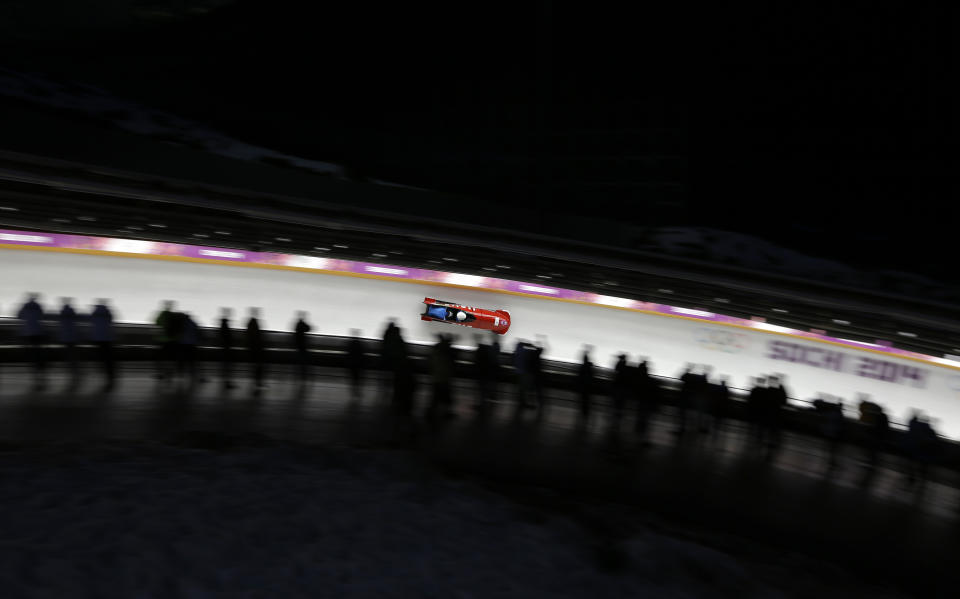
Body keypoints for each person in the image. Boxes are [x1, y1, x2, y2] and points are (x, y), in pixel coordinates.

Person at [17, 292, 47, 389]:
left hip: (28, 333)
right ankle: (40, 368)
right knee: (38, 350)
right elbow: (42, 316)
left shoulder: (25, 306)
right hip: (38, 331)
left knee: (31, 352)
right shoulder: (38, 306)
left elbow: (19, 316)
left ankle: (34, 369)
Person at [89, 299, 116, 390]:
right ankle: (110, 374)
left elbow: (91, 321)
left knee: (101, 356)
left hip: (98, 338)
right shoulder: (108, 312)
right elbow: (111, 320)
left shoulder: (95, 312)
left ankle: (103, 371)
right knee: (109, 357)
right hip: (108, 338)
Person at [155, 301, 179, 381]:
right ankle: (170, 373)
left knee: (161, 357)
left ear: (165, 306)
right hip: (173, 340)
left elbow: (156, 322)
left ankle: (161, 373)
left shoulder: (162, 314)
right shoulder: (174, 315)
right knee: (171, 357)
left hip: (162, 339)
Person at [58, 297, 80, 378]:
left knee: (69, 353)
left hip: (66, 336)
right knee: (73, 353)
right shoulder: (72, 311)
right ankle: (75, 367)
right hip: (73, 335)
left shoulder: (62, 312)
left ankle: (72, 368)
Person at [178, 312, 202, 385]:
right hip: (192, 344)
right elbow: (198, 332)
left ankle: (181, 373)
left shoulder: (182, 324)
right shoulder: (193, 323)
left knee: (182, 358)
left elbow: (179, 333)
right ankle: (192, 374)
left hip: (183, 344)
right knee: (192, 360)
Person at [246, 308, 266, 393]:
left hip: (254, 347)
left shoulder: (251, 322)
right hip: (256, 348)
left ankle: (257, 383)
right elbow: (255, 336)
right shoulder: (253, 323)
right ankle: (258, 384)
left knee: (257, 366)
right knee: (258, 366)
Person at [576, 346, 595, 424]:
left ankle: (584, 411)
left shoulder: (583, 367)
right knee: (586, 398)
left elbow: (580, 376)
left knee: (583, 398)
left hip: (584, 384)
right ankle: (586, 411)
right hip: (588, 385)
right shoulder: (589, 367)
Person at [218, 308, 235, 389]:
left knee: (225, 364)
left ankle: (226, 382)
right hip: (226, 346)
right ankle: (227, 382)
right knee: (226, 365)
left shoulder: (223, 324)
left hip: (224, 346)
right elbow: (226, 336)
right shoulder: (225, 325)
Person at [293, 311, 312, 382]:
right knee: (304, 359)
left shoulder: (297, 324)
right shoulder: (301, 324)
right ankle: (303, 374)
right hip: (302, 345)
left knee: (300, 359)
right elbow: (309, 328)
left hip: (298, 344)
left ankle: (300, 373)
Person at [346, 329, 365, 399]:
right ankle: (357, 391)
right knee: (358, 378)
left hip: (352, 363)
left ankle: (354, 391)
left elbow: (348, 353)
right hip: (358, 363)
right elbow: (362, 353)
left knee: (353, 378)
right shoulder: (360, 343)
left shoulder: (350, 343)